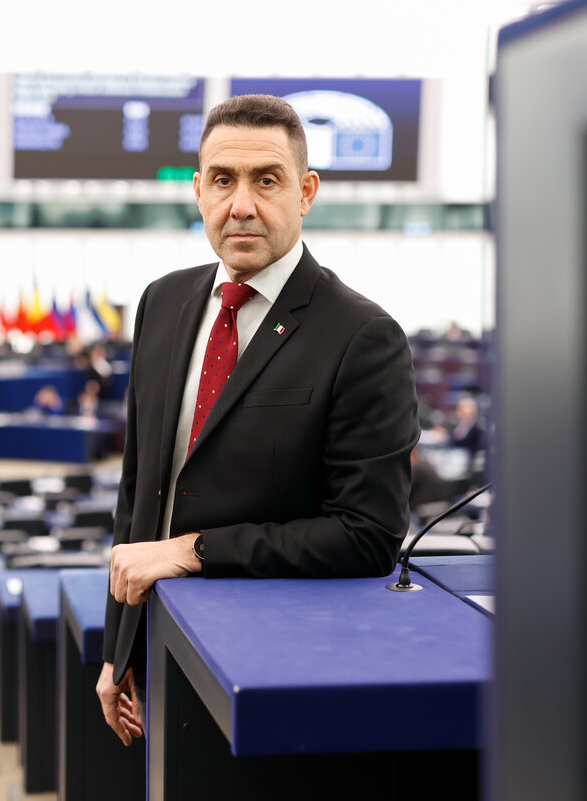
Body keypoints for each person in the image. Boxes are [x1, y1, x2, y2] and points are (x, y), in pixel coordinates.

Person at [97, 95, 419, 747]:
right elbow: (139, 495)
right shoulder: (161, 303)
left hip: (271, 668)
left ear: (305, 192)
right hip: (157, 648)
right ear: (197, 191)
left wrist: (193, 552)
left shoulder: (362, 335)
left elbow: (367, 537)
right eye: (222, 180)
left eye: (265, 180)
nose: (240, 204)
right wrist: (117, 646)